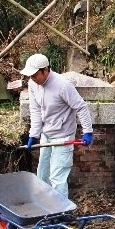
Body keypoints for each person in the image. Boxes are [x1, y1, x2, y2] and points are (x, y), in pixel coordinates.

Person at [20, 54, 93, 199]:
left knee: (57, 177)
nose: (32, 78)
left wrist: (88, 131)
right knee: (43, 174)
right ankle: (45, 207)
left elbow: (81, 107)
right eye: (30, 76)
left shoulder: (62, 85)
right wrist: (34, 134)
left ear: (45, 70)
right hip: (47, 135)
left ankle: (62, 213)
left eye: (35, 75)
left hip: (63, 135)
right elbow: (35, 110)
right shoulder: (33, 84)